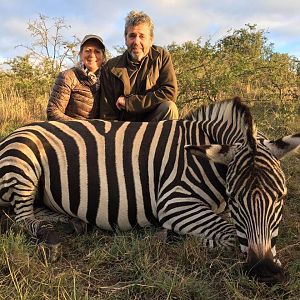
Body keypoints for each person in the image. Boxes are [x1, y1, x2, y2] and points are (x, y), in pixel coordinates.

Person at [100, 11, 178, 121]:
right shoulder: (110, 67)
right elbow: (107, 113)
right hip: (123, 127)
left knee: (170, 108)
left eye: (142, 36)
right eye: (132, 36)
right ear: (125, 39)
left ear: (151, 39)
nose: (136, 41)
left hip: (152, 121)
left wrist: (129, 103)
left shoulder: (161, 56)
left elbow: (169, 92)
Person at [47, 34, 106, 121]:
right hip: (71, 132)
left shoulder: (109, 79)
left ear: (103, 56)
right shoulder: (68, 76)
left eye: (97, 51)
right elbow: (53, 112)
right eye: (88, 50)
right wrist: (83, 126)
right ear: (80, 54)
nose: (92, 55)